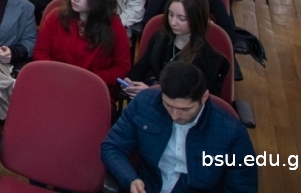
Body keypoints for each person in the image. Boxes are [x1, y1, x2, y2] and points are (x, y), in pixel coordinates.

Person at [102, 62, 257, 193]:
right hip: (150, 185)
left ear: (204, 97)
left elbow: (242, 187)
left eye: (185, 109)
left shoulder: (232, 132)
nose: (175, 115)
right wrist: (130, 178)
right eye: (168, 105)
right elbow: (113, 147)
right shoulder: (144, 103)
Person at [33, 0, 132, 94]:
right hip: (55, 84)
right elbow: (40, 52)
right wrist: (58, 76)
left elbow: (122, 66)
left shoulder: (113, 24)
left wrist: (89, 79)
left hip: (93, 89)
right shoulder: (55, 16)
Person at [125, 0, 229, 100]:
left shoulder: (208, 57)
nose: (173, 22)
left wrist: (152, 92)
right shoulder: (160, 37)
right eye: (170, 14)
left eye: (182, 18)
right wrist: (129, 81)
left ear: (197, 20)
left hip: (180, 107)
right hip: (156, 98)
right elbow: (142, 66)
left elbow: (194, 97)